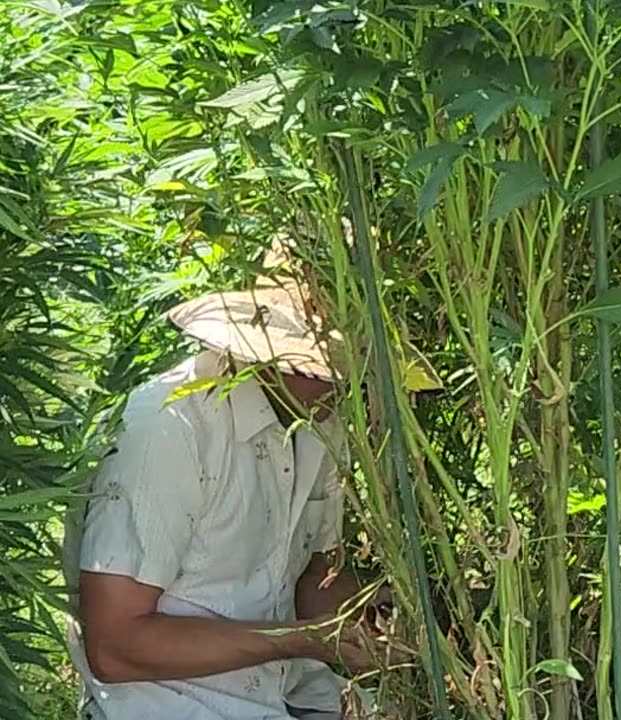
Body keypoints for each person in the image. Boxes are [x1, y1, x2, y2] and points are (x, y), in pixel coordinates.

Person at [61, 267, 433, 720]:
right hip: (172, 706)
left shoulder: (318, 418)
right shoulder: (171, 428)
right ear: (272, 353)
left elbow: (310, 580)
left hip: (293, 697)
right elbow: (115, 646)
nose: (349, 385)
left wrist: (398, 615)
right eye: (332, 365)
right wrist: (304, 639)